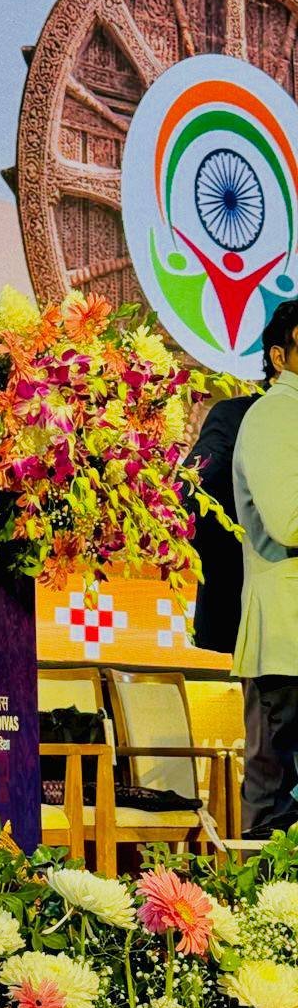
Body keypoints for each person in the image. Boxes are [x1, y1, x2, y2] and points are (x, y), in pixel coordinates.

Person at [187, 323, 286, 838]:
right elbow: (195, 492)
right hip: (267, 609)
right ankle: (267, 881)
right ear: (279, 357)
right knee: (272, 767)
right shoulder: (239, 416)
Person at [232, 297, 298, 836]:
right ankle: (265, 892)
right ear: (280, 356)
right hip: (287, 638)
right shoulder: (277, 413)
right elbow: (288, 520)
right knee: (275, 800)